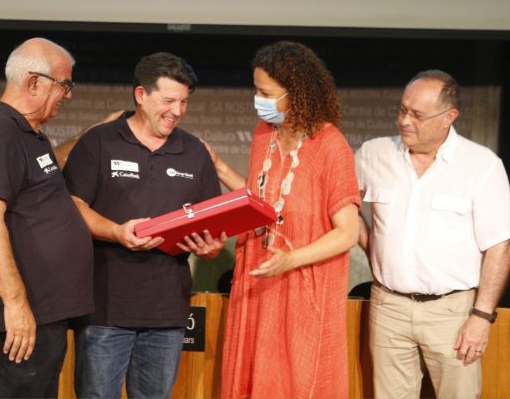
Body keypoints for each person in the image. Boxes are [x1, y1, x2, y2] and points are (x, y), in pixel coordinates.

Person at [62, 52, 227, 399]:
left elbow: (212, 223)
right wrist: (117, 232)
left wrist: (210, 248)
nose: (177, 111)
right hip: (105, 309)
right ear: (141, 95)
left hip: (167, 313)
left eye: (184, 102)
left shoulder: (195, 152)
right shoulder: (100, 141)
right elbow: (73, 206)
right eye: (168, 100)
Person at [207, 41, 361, 398]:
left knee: (297, 380)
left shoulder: (330, 145)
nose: (258, 99)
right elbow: (261, 202)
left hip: (301, 290)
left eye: (265, 92)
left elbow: (347, 233)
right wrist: (217, 167)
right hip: (259, 280)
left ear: (297, 93)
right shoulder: (265, 134)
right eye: (256, 89)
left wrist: (290, 260)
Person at [0, 38, 94, 398]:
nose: (68, 95)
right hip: (10, 324)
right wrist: (16, 305)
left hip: (37, 317)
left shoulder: (27, 135)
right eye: (65, 85)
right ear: (34, 82)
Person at [356, 69, 510, 398]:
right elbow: (343, 206)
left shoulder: (482, 165)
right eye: (402, 110)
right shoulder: (373, 154)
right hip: (388, 308)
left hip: (452, 312)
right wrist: (373, 249)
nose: (405, 121)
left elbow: (499, 247)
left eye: (417, 115)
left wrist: (481, 317)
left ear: (448, 117)